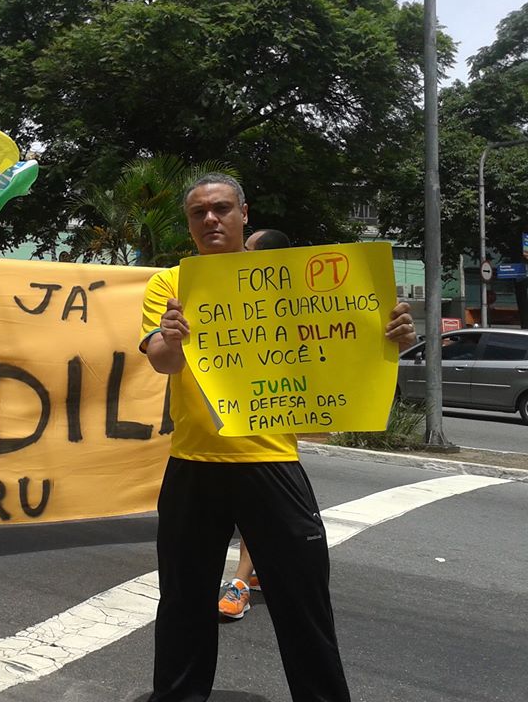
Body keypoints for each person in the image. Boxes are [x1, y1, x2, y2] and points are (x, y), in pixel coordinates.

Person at [140, 173, 417, 701]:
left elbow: (340, 348)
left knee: (303, 600)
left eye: (221, 209)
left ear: (245, 213)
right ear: (189, 223)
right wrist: (172, 337)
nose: (210, 220)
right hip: (195, 463)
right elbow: (162, 361)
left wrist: (389, 339)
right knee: (182, 599)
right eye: (199, 213)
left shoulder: (291, 284)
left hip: (269, 460)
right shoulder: (169, 284)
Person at [218, 226, 292, 621]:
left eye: (247, 249)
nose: (239, 252)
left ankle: (241, 583)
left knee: (254, 513)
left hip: (268, 431)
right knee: (256, 514)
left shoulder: (291, 303)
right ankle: (255, 572)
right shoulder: (229, 294)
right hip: (230, 422)